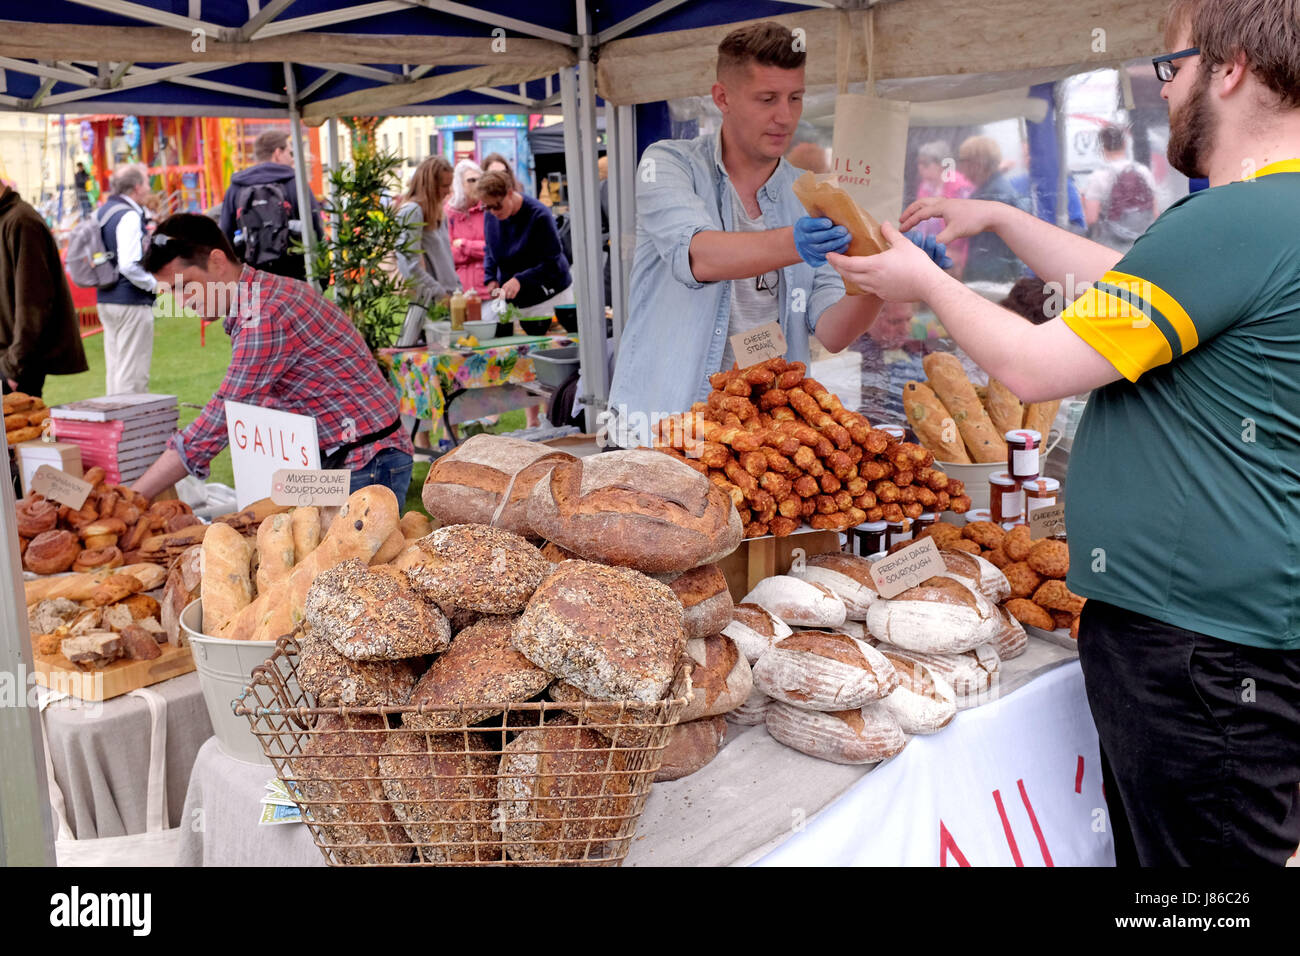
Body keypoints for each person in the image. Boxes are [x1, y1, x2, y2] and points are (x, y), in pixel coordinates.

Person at [826, 0, 1300, 867]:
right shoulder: (1269, 216)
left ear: (1228, 68)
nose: (1165, 93)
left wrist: (927, 282)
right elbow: (1131, 278)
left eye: (1175, 67)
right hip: (1236, 630)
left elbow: (1037, 367)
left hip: (1197, 644)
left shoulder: (1235, 219)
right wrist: (1004, 222)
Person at [606, 20, 950, 446]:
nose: (784, 116)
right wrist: (795, 243)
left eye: (795, 97)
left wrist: (884, 275)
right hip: (658, 432)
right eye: (767, 99)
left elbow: (832, 331)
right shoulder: (668, 163)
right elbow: (699, 256)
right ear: (722, 98)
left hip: (759, 443)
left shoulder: (813, 193)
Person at [131, 214, 414, 505]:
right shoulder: (256, 297)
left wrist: (134, 497)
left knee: (348, 552)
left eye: (183, 285)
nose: (181, 301)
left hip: (366, 460)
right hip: (344, 454)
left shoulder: (264, 313)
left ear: (217, 261)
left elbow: (223, 415)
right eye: (171, 291)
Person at [0, 182, 87, 397]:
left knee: (17, 428)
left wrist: (12, 369)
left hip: (14, 363)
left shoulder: (21, 221)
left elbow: (33, 302)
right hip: (9, 358)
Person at [218, 130, 323, 281]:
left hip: (252, 275)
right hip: (293, 273)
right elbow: (314, 226)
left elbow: (225, 234)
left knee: (257, 305)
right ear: (278, 153)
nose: (292, 159)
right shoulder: (295, 183)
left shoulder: (237, 187)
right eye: (290, 153)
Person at [96, 163, 158, 395]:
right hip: (130, 300)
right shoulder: (129, 215)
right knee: (132, 373)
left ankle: (115, 422)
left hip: (107, 297)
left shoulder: (104, 211)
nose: (149, 187)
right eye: (146, 182)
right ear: (137, 187)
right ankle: (129, 426)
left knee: (116, 368)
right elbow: (129, 264)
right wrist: (154, 284)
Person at [479, 169, 573, 318]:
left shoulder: (539, 216)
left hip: (549, 297)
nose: (493, 212)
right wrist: (490, 277)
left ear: (510, 193)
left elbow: (552, 263)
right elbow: (490, 248)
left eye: (497, 206)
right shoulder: (490, 215)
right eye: (486, 207)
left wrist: (520, 280)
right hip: (515, 302)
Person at [955, 135, 1032, 283]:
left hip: (993, 281)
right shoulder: (989, 191)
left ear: (977, 164)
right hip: (994, 277)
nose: (960, 169)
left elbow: (988, 254)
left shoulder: (994, 196)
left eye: (963, 161)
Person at [1083, 124, 1160, 252]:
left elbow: (1091, 218)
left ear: (1102, 148)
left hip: (1111, 247)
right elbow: (1155, 212)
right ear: (1125, 144)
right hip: (1142, 245)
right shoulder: (1143, 171)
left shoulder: (1099, 177)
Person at [394, 156, 459, 307]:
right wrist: (440, 294)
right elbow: (409, 265)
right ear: (430, 185)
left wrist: (456, 290)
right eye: (444, 186)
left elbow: (446, 259)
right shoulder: (412, 211)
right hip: (432, 302)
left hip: (449, 299)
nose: (448, 191)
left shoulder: (438, 212)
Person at [913, 140, 973, 276]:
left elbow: (968, 230)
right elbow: (920, 224)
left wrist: (961, 258)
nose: (920, 167)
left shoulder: (961, 188)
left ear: (941, 165)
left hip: (955, 259)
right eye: (919, 163)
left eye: (926, 163)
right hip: (931, 254)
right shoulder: (925, 186)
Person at [445, 159, 489, 294]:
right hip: (460, 291)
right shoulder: (449, 213)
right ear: (459, 184)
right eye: (471, 180)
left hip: (490, 289)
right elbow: (448, 255)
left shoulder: (489, 209)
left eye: (479, 179)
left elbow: (494, 249)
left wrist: (464, 245)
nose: (477, 184)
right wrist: (479, 250)